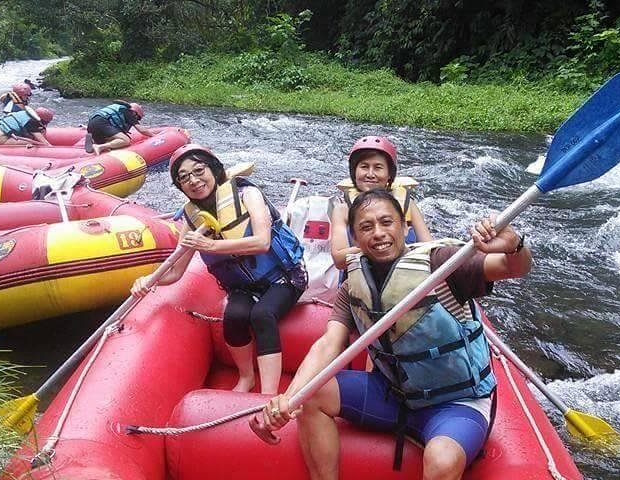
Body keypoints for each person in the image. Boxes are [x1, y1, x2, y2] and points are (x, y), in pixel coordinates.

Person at [250, 188, 532, 480]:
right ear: (355, 239)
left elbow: (512, 268)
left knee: (442, 460)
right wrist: (289, 400)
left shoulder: (443, 263)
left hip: (455, 402)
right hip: (392, 394)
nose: (378, 233)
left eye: (387, 222)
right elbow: (327, 344)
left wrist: (514, 246)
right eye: (366, 227)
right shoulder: (352, 286)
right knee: (313, 393)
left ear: (405, 227)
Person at [131, 144, 308, 394]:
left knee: (262, 315)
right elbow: (174, 272)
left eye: (199, 170)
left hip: (284, 277)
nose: (194, 180)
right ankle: (246, 378)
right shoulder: (192, 219)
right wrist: (148, 280)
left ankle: (268, 393)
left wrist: (211, 245)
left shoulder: (247, 193)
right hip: (244, 286)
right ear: (180, 186)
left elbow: (262, 242)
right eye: (184, 178)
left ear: (213, 169)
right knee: (233, 317)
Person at [331, 136, 432, 270]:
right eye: (364, 167)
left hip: (405, 272)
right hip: (360, 277)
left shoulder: (408, 205)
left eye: (378, 167)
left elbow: (430, 248)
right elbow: (339, 259)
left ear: (389, 174)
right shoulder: (342, 210)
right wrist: (380, 248)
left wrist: (394, 248)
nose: (370, 174)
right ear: (354, 171)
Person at [86, 101, 154, 155]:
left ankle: (98, 144)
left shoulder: (119, 108)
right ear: (135, 113)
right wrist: (153, 136)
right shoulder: (128, 112)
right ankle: (100, 146)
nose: (137, 119)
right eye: (138, 118)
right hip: (102, 123)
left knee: (116, 144)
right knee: (125, 140)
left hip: (91, 125)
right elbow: (141, 130)